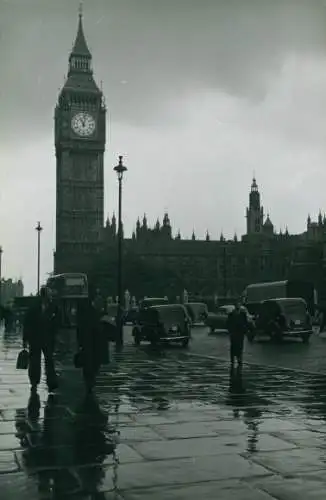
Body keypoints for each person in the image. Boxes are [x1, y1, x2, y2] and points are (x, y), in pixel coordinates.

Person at [23, 286, 59, 393]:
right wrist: (25, 339)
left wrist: (56, 334)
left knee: (49, 361)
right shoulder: (34, 307)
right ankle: (34, 382)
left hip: (48, 339)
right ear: (44, 295)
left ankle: (52, 383)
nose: (51, 297)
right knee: (35, 361)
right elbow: (27, 323)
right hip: (35, 339)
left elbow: (57, 322)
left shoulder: (53, 307)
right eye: (49, 295)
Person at [76, 294, 109, 394]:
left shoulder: (100, 313)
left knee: (95, 364)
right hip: (90, 343)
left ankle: (90, 381)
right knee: (89, 364)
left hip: (97, 343)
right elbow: (82, 328)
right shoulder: (89, 313)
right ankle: (89, 383)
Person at [227, 302, 248, 370]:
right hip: (234, 333)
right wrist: (230, 331)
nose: (238, 306)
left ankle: (239, 359)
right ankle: (232, 360)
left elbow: (245, 323)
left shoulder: (243, 314)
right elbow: (228, 323)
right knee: (233, 346)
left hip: (240, 333)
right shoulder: (231, 314)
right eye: (237, 305)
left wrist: (245, 330)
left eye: (239, 305)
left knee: (240, 347)